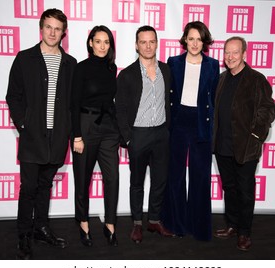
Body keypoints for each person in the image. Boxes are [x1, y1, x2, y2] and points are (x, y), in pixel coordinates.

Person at [6, 8, 77, 260]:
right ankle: (24, 233)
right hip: (32, 136)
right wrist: (23, 123)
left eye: (58, 28)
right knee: (29, 187)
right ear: (41, 28)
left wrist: (70, 131)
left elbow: (72, 103)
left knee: (45, 185)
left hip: (57, 137)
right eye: (49, 27)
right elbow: (12, 96)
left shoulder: (70, 63)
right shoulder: (25, 58)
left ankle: (41, 228)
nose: (52, 32)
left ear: (63, 33)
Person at [213, 36, 275, 251]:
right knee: (229, 188)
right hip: (222, 146)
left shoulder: (257, 79)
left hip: (245, 148)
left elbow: (267, 110)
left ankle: (244, 232)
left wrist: (256, 137)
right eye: (227, 52)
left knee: (245, 191)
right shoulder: (221, 79)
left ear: (245, 55)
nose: (230, 57)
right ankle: (232, 225)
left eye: (235, 52)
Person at [115, 25, 174, 243]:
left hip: (161, 134)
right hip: (138, 135)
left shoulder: (166, 71)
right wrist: (129, 138)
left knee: (160, 180)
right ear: (136, 45)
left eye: (152, 41)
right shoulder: (127, 74)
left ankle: (155, 220)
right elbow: (119, 108)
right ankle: (138, 223)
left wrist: (167, 130)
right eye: (143, 42)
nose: (148, 46)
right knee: (137, 182)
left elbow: (171, 102)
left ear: (157, 43)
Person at [162, 21, 220, 241]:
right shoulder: (173, 62)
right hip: (178, 123)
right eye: (191, 38)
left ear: (204, 41)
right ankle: (176, 224)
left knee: (201, 176)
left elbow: (213, 99)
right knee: (175, 176)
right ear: (185, 39)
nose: (195, 43)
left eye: (199, 38)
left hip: (201, 123)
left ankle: (199, 227)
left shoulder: (213, 65)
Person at [71, 25, 120, 247]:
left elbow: (110, 100)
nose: (102, 46)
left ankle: (110, 223)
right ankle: (83, 222)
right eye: (98, 41)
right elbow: (73, 104)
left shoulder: (112, 68)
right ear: (90, 43)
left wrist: (117, 130)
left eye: (106, 42)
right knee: (83, 179)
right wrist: (77, 136)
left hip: (108, 127)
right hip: (86, 125)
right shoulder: (80, 69)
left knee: (113, 178)